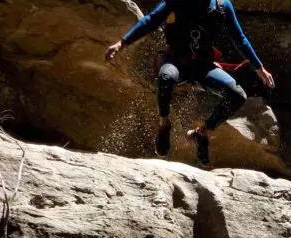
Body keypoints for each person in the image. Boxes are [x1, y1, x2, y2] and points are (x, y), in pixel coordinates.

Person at [105, 0, 275, 167]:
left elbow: (240, 39)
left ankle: (201, 133)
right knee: (165, 78)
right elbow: (151, 20)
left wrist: (259, 68)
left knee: (237, 94)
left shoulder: (222, 6)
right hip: (176, 61)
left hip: (203, 67)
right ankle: (164, 124)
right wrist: (122, 43)